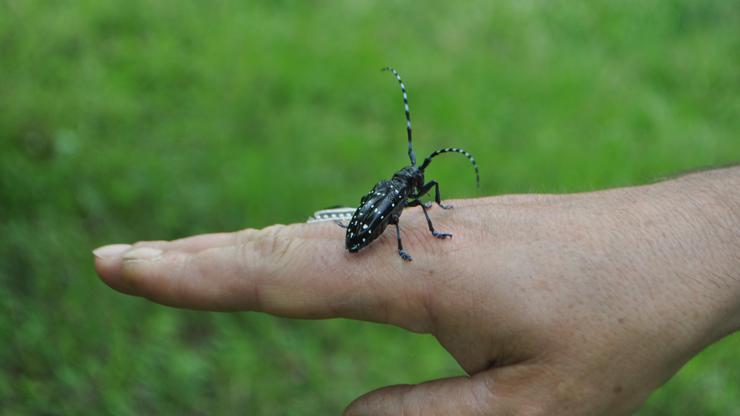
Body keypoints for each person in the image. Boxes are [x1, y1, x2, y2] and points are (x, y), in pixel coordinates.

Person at [93, 167, 740, 415]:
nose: (420, 190)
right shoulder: (397, 202)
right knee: (379, 225)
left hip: (369, 226)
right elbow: (387, 215)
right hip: (363, 231)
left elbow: (411, 207)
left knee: (387, 223)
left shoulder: (407, 196)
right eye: (418, 182)